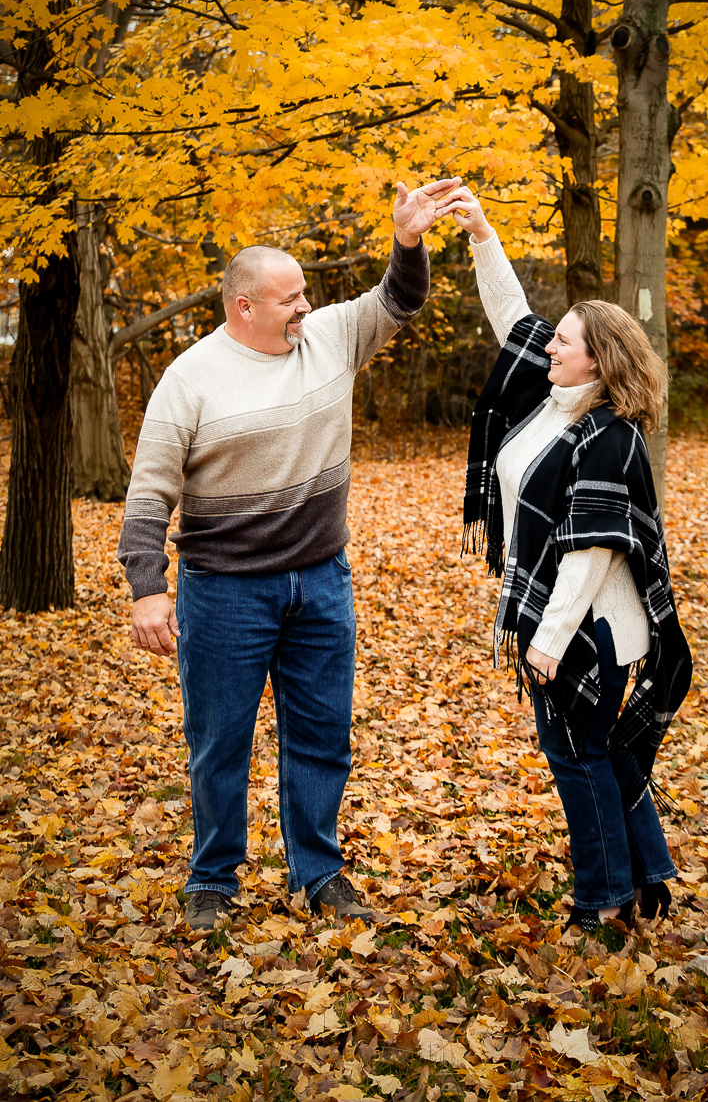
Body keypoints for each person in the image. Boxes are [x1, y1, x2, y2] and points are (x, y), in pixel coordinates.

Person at [118, 176, 461, 930]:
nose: (306, 306)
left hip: (320, 582)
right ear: (245, 307)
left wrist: (408, 241)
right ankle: (213, 876)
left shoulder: (329, 338)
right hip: (225, 592)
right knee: (219, 743)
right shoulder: (191, 380)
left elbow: (398, 301)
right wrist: (149, 586)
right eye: (290, 297)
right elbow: (149, 494)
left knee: (322, 735)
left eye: (305, 293)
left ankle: (320, 871)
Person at [437, 185, 692, 932]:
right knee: (602, 754)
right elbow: (510, 313)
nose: (550, 345)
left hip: (590, 628)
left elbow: (590, 553)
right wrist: (482, 231)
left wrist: (545, 644)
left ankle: (603, 904)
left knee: (579, 761)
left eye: (566, 341)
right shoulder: (552, 402)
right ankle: (644, 877)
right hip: (560, 614)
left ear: (598, 359)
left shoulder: (608, 435)